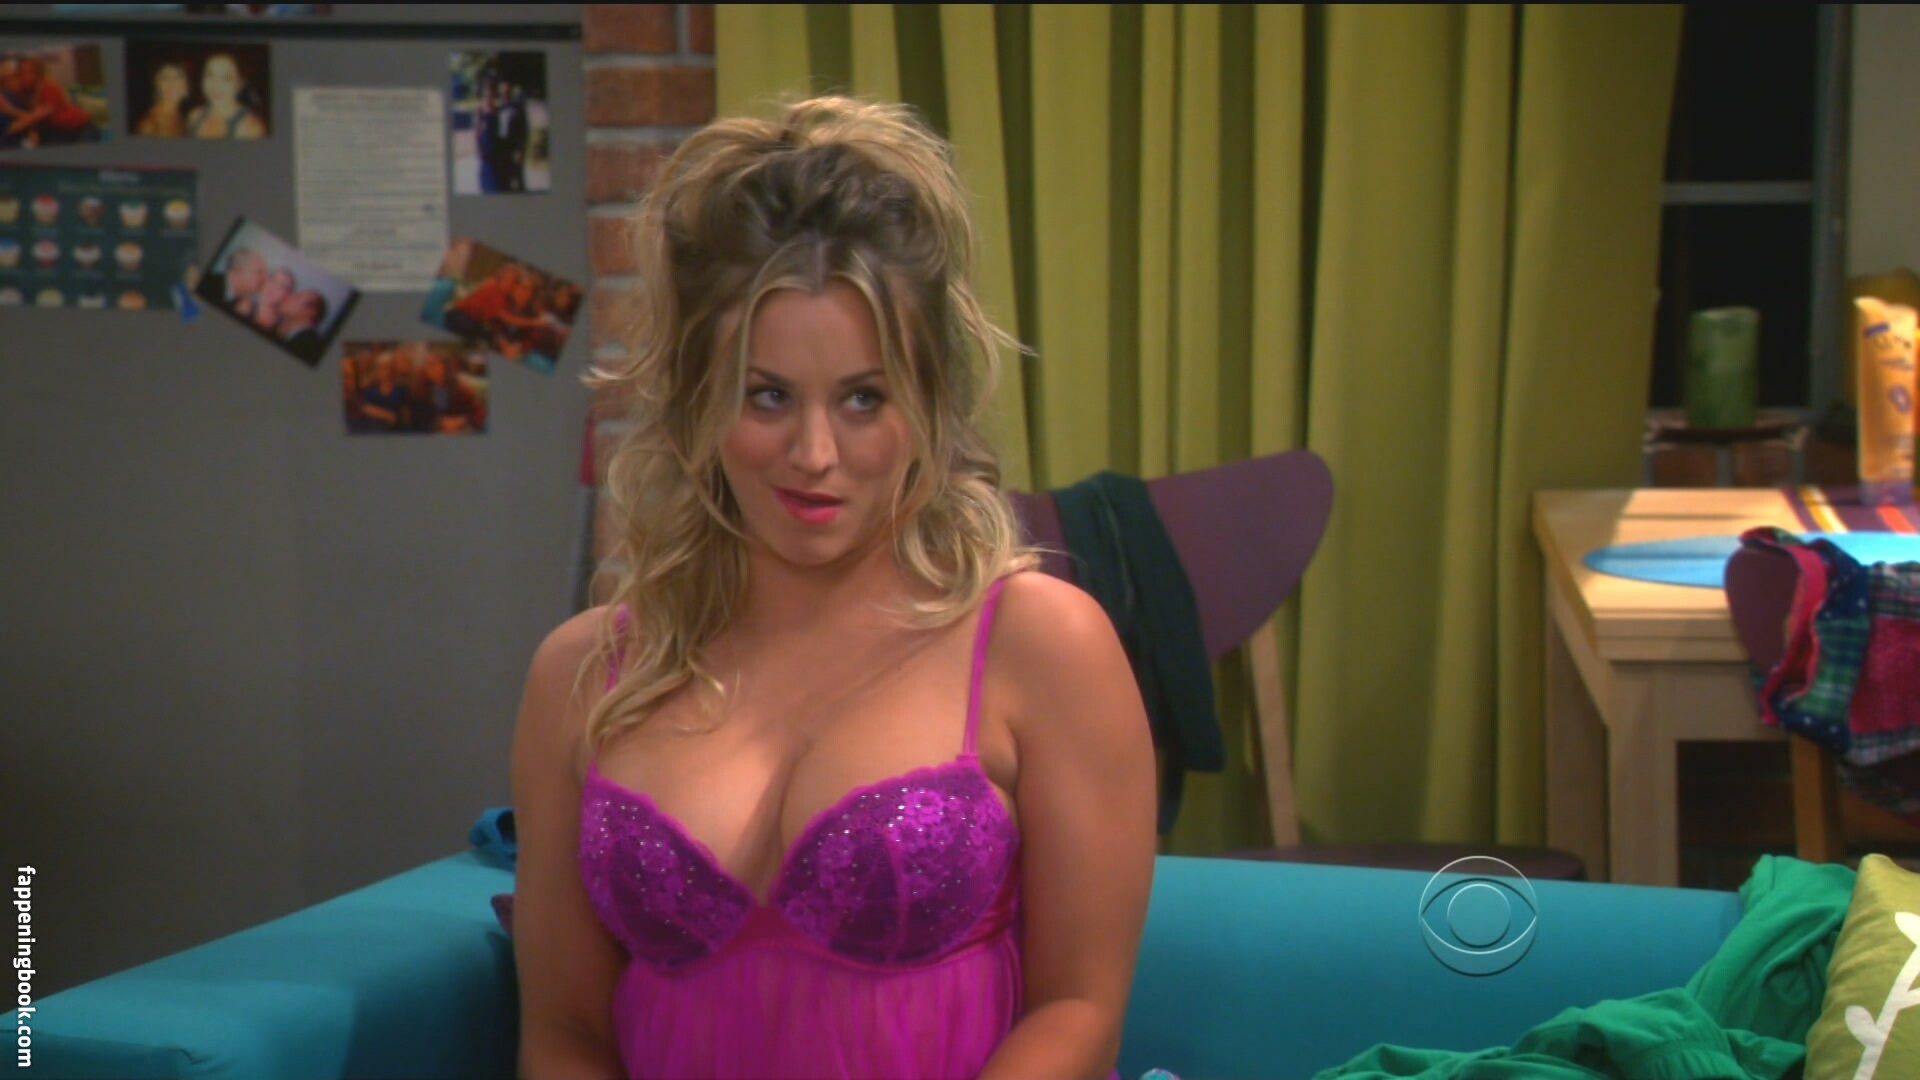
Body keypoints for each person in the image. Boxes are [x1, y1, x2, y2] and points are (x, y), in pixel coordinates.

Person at [508, 96, 1156, 1080]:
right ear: (699, 400)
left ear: (926, 403)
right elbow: (563, 1034)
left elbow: (1081, 1010)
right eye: (768, 396)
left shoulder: (1042, 644)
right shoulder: (582, 674)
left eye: (863, 398)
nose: (815, 454)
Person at [185, 52, 266, 139]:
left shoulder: (250, 129)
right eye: (210, 75)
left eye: (226, 78)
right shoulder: (194, 116)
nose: (215, 84)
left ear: (239, 84)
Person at [275, 287, 330, 365]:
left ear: (311, 312)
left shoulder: (309, 347)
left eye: (296, 297)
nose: (287, 297)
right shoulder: (283, 332)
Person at [134, 61, 190, 137]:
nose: (173, 83)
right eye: (165, 78)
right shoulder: (149, 124)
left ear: (185, 84)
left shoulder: (183, 117)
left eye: (178, 76)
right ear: (156, 84)